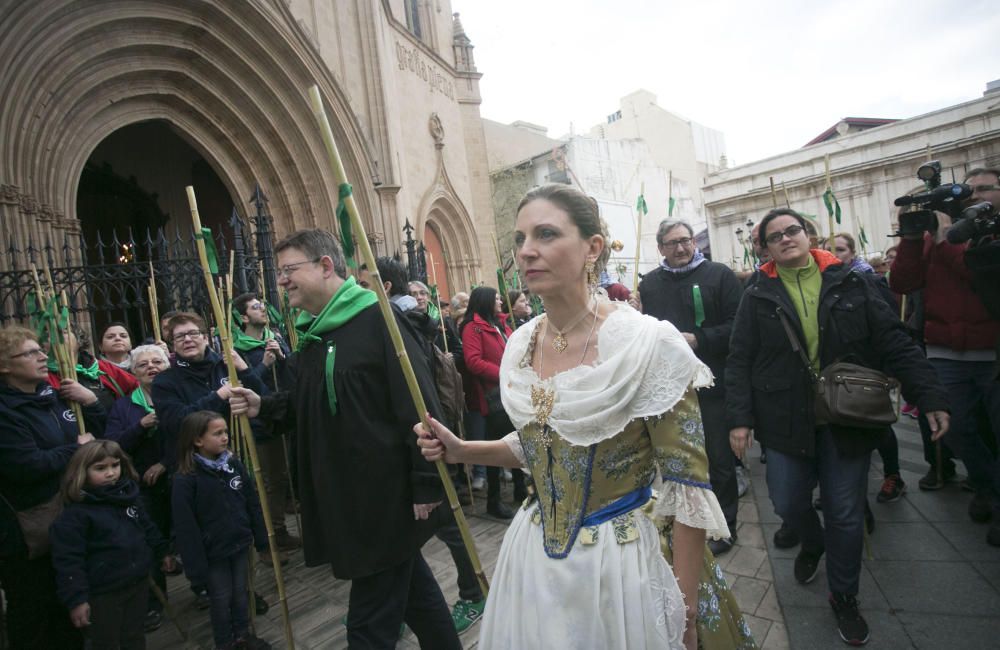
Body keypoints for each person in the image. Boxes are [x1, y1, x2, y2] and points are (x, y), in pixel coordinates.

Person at [416, 184, 754, 650]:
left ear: (592, 247)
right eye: (519, 238)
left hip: (622, 565)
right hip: (533, 559)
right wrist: (461, 450)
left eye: (546, 234)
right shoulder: (521, 344)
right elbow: (540, 443)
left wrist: (685, 609)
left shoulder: (647, 343)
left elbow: (687, 487)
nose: (527, 251)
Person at [727, 208, 951, 645]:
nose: (786, 238)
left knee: (846, 512)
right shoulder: (756, 294)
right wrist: (740, 419)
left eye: (793, 230)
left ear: (808, 235)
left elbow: (893, 341)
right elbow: (740, 360)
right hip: (784, 417)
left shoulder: (852, 280)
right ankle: (812, 542)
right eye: (775, 236)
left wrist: (929, 395)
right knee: (789, 502)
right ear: (766, 249)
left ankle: (844, 596)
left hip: (845, 415)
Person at [250, 229, 461, 649]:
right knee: (416, 595)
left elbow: (419, 405)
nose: (281, 281)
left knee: (368, 625)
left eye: (289, 270)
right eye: (279, 274)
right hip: (347, 496)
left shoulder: (378, 319)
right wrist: (263, 406)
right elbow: (310, 405)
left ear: (326, 266)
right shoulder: (314, 332)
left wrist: (426, 480)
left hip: (385, 497)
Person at [890, 167, 1000, 547]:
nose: (973, 196)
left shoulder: (988, 231)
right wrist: (910, 239)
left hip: (992, 348)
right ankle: (987, 487)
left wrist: (948, 239)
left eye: (983, 188)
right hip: (945, 350)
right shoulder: (933, 237)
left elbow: (980, 275)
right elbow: (902, 283)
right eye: (968, 190)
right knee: (957, 430)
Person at [630, 218, 743, 556]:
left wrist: (699, 338)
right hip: (670, 391)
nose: (681, 248)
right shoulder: (649, 284)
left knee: (719, 461)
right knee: (680, 463)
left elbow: (738, 326)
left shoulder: (719, 276)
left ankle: (725, 527)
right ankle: (687, 525)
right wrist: (635, 316)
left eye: (686, 240)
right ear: (660, 248)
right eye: (672, 242)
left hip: (713, 386)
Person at [0, 325, 103, 649]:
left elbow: (98, 437)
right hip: (30, 531)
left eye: (40, 350)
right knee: (37, 613)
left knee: (69, 608)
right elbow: (26, 465)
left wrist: (91, 402)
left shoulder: (53, 397)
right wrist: (75, 449)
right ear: (5, 366)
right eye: (30, 353)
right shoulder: (6, 412)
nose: (42, 356)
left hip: (67, 520)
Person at [49, 440, 172, 650]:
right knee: (106, 642)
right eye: (100, 468)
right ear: (81, 471)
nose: (110, 473)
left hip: (137, 581)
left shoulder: (128, 498)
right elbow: (69, 561)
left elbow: (147, 527)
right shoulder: (76, 516)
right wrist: (77, 599)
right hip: (103, 593)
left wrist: (163, 553)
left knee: (134, 636)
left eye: (115, 466)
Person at [172, 411, 270, 650]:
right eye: (217, 433)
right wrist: (195, 567)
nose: (225, 437)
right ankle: (225, 642)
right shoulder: (186, 479)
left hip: (239, 541)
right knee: (220, 598)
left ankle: (243, 635)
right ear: (197, 440)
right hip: (213, 552)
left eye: (225, 431)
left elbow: (251, 501)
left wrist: (261, 539)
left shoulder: (233, 464)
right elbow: (186, 526)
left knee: (240, 593)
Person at [104, 344, 173, 631]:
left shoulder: (175, 396)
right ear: (133, 372)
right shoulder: (123, 406)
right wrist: (141, 426)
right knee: (151, 540)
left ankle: (204, 586)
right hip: (142, 485)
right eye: (143, 364)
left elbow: (192, 432)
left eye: (157, 362)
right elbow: (114, 446)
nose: (151, 367)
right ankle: (155, 603)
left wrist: (166, 463)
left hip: (178, 475)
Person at [231, 293, 300, 553]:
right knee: (272, 478)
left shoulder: (275, 338)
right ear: (244, 317)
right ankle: (275, 533)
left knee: (285, 473)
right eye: (256, 307)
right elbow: (244, 386)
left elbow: (289, 374)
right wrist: (263, 364)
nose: (263, 310)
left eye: (263, 305)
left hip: (283, 413)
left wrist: (281, 357)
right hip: (262, 422)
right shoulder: (238, 348)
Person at [461, 286, 527, 519]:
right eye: (497, 298)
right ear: (485, 301)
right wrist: (504, 372)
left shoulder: (501, 324)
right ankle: (494, 500)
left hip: (513, 392)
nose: (500, 302)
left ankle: (521, 489)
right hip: (492, 396)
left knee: (518, 439)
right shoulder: (473, 327)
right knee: (496, 445)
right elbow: (474, 362)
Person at [47, 325, 138, 414]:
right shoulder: (41, 374)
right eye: (48, 334)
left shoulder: (102, 368)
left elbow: (139, 390)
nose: (55, 337)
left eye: (64, 332)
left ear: (79, 341)